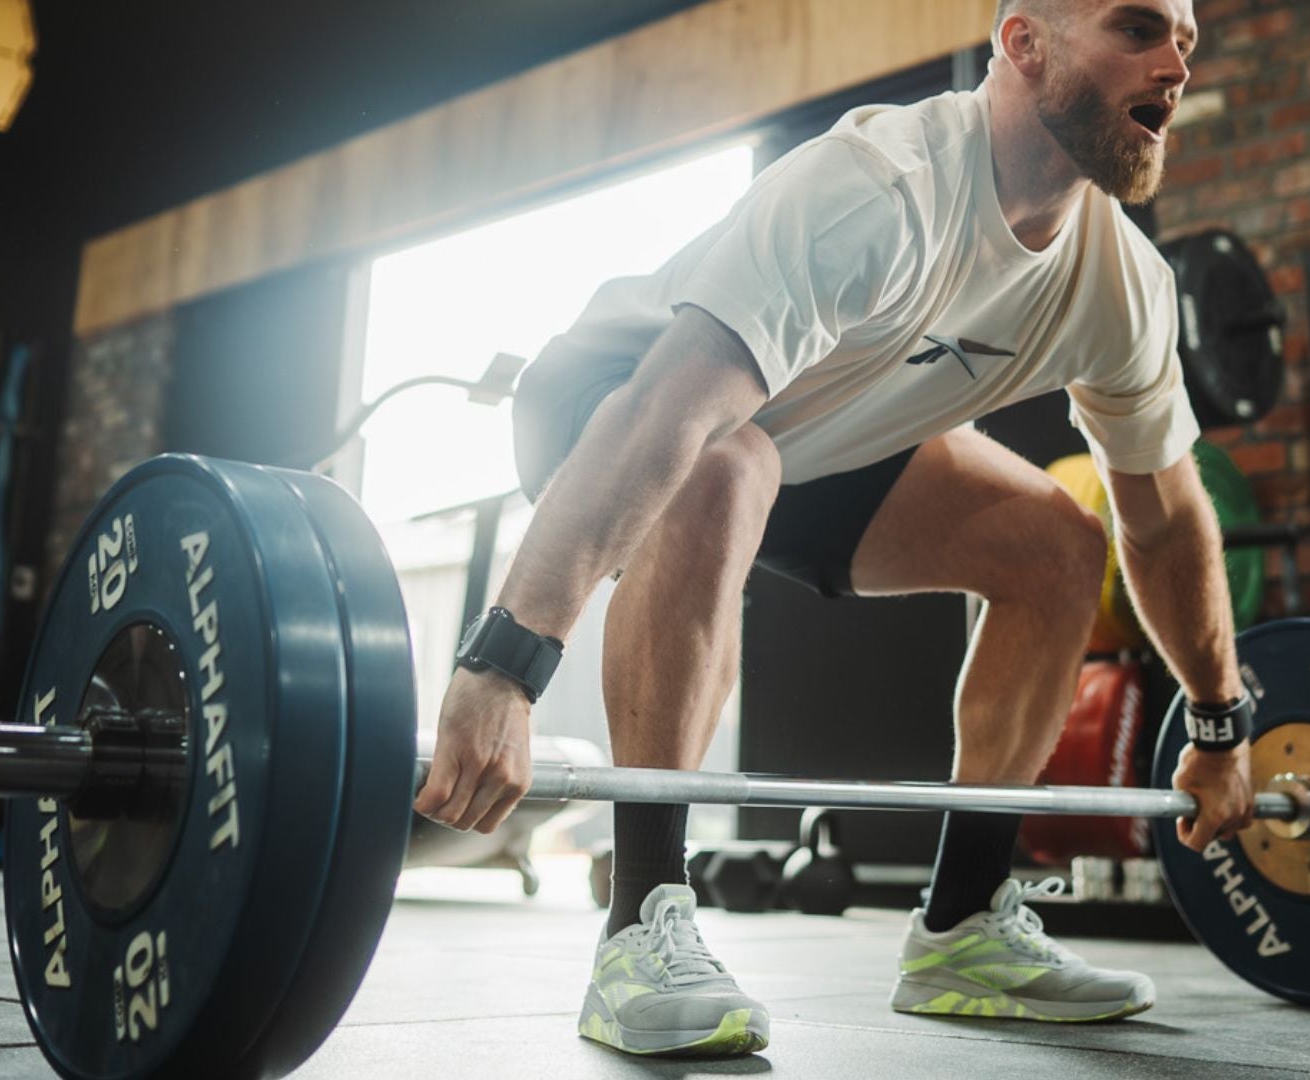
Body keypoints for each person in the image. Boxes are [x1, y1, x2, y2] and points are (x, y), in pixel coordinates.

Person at [416, 0, 1254, 1058]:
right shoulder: (884, 189)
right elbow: (667, 414)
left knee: (1058, 544)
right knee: (728, 460)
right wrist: (502, 669)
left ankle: (963, 930)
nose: (1176, 59)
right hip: (613, 396)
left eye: (1186, 36)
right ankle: (639, 926)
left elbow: (1169, 523)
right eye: (1138, 26)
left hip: (820, 439)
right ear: (1024, 43)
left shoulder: (1121, 284)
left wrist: (1220, 721)